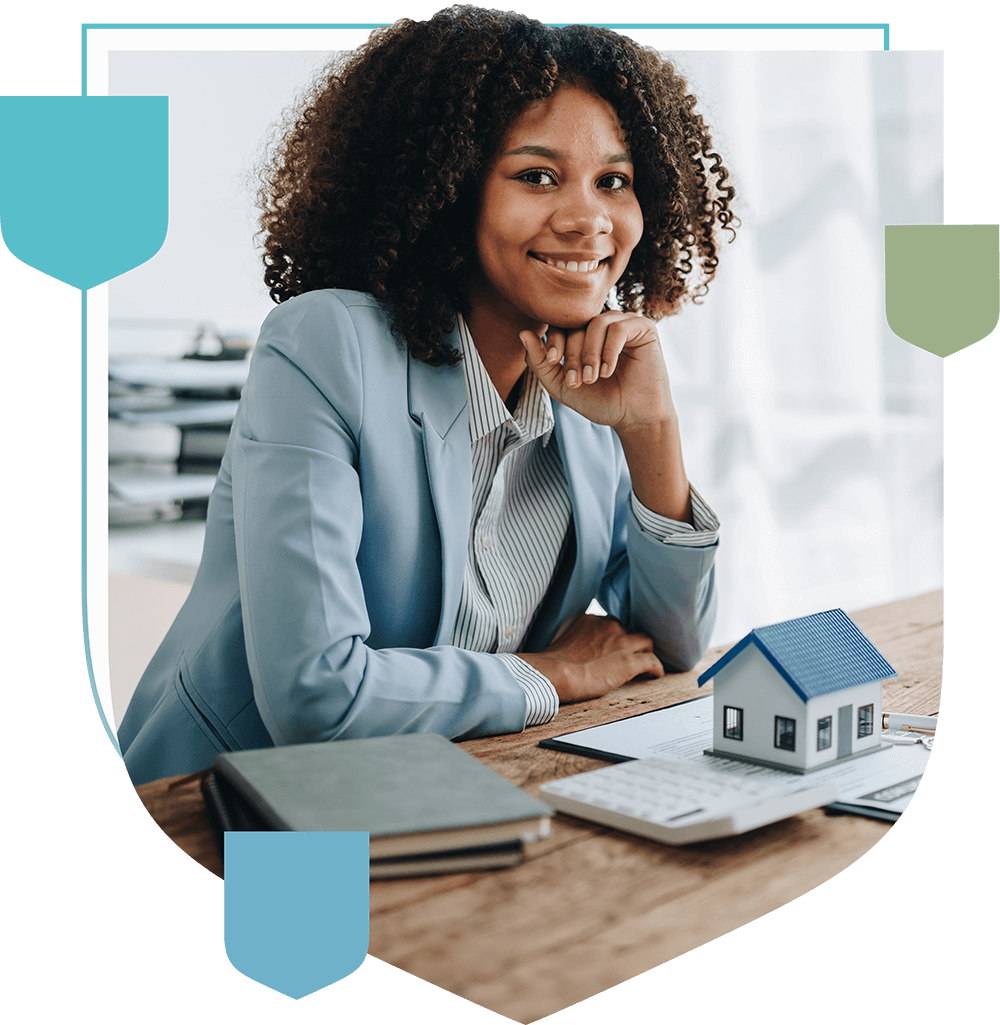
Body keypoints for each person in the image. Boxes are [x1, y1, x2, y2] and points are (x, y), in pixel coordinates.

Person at [118, 8, 737, 786]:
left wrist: (652, 432)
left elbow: (670, 647)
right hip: (226, 803)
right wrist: (550, 674)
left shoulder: (586, 397)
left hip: (447, 793)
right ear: (449, 192)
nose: (588, 219)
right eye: (536, 175)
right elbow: (318, 696)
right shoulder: (326, 348)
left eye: (614, 180)